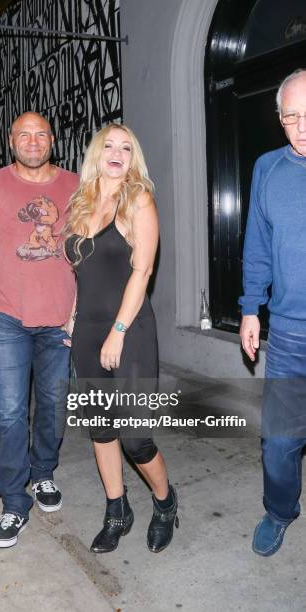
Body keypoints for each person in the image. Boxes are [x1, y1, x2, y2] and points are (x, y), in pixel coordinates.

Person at [0, 111, 79, 548]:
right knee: (10, 412)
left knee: (53, 404)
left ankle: (43, 472)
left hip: (60, 320)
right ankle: (13, 500)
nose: (32, 141)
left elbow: (90, 252)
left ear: (53, 139)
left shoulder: (74, 186)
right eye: (23, 135)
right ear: (11, 141)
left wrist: (82, 313)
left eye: (41, 134)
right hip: (5, 316)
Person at [63, 124, 178, 554]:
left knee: (134, 435)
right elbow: (83, 273)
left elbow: (142, 272)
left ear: (134, 157)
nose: (117, 153)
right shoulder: (80, 203)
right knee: (101, 429)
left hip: (129, 329)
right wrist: (74, 318)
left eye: (126, 147)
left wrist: (117, 332)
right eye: (109, 145)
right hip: (87, 329)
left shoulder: (138, 201)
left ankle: (165, 503)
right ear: (97, 153)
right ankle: (117, 510)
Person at [239, 68, 306, 557]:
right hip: (288, 336)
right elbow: (257, 245)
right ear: (279, 119)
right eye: (292, 117)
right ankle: (280, 510)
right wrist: (249, 310)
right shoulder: (268, 169)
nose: (302, 128)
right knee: (279, 443)